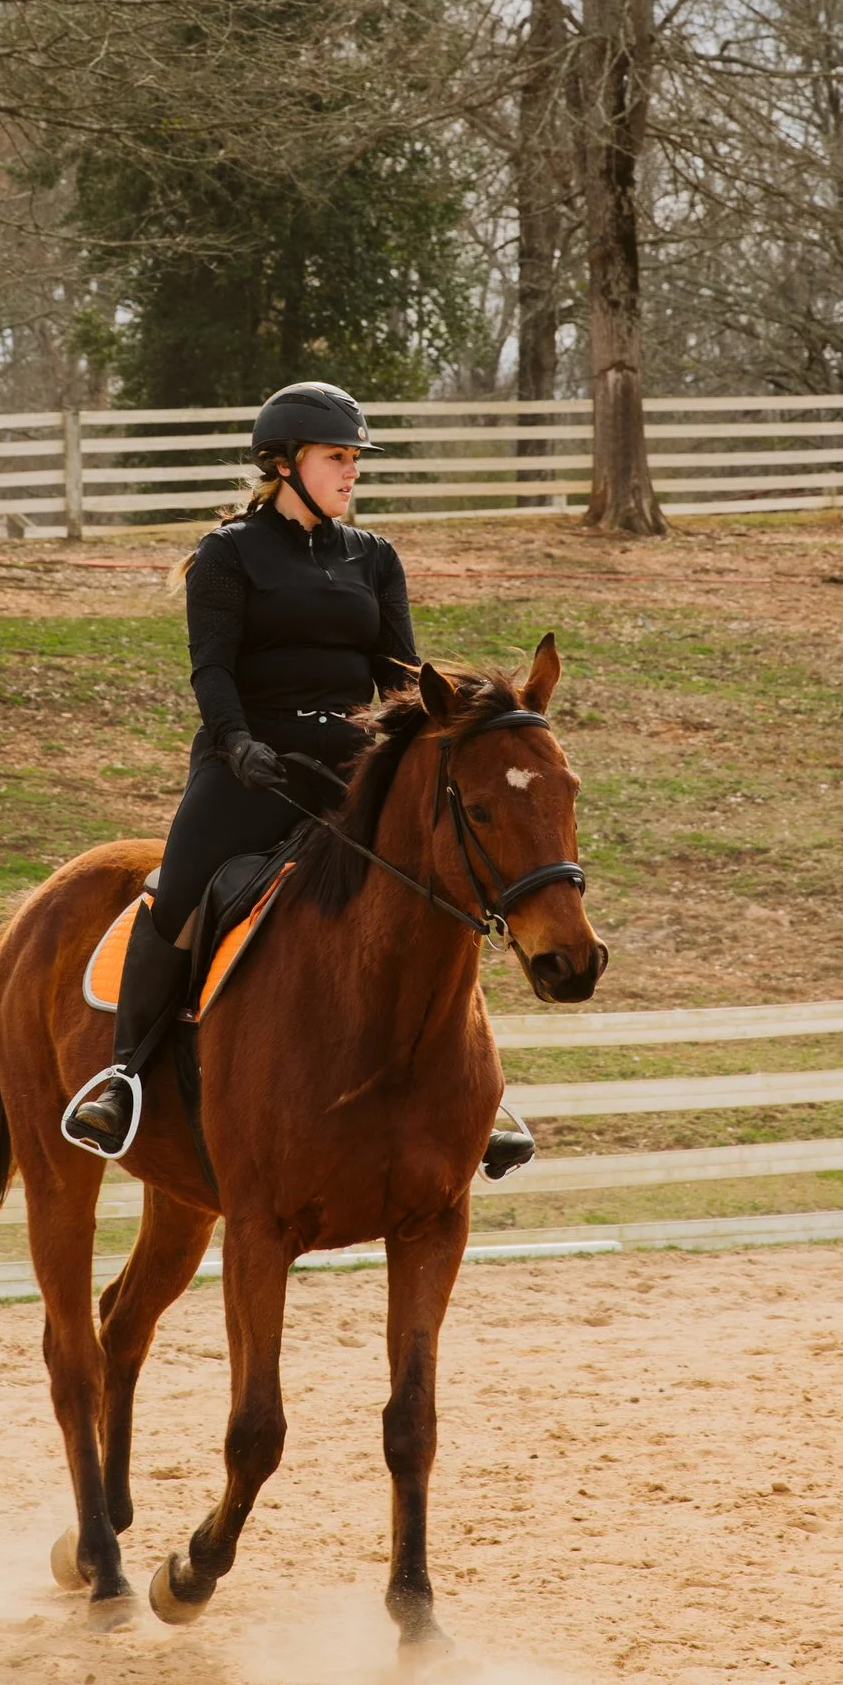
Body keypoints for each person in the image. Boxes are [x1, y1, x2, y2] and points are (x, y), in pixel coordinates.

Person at [58, 379, 536, 1181]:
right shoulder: (228, 553)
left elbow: (398, 675)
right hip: (249, 766)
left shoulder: (374, 556)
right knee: (177, 891)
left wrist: (425, 738)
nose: (352, 470)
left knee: (434, 888)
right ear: (284, 464)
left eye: (355, 458)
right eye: (336, 456)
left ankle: (476, 1098)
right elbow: (212, 669)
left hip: (349, 768)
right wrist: (236, 741)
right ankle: (124, 1075)